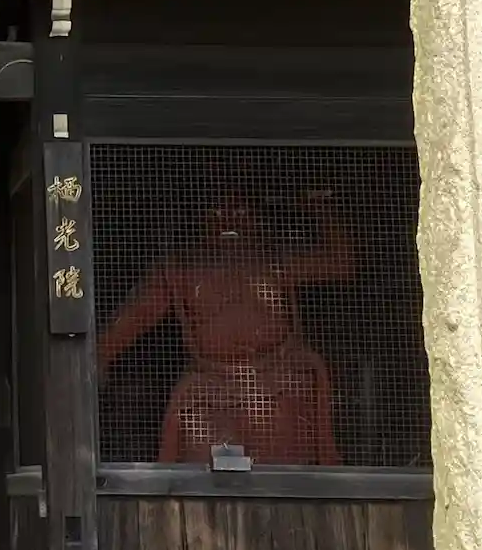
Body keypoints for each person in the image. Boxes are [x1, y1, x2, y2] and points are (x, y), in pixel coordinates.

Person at [97, 188, 354, 466]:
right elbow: (130, 322)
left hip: (279, 385)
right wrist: (94, 359)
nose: (229, 221)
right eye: (217, 212)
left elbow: (340, 263)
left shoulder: (275, 260)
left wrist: (319, 207)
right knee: (213, 475)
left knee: (281, 474)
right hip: (210, 391)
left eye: (241, 211)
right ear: (198, 220)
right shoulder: (180, 270)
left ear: (258, 219)